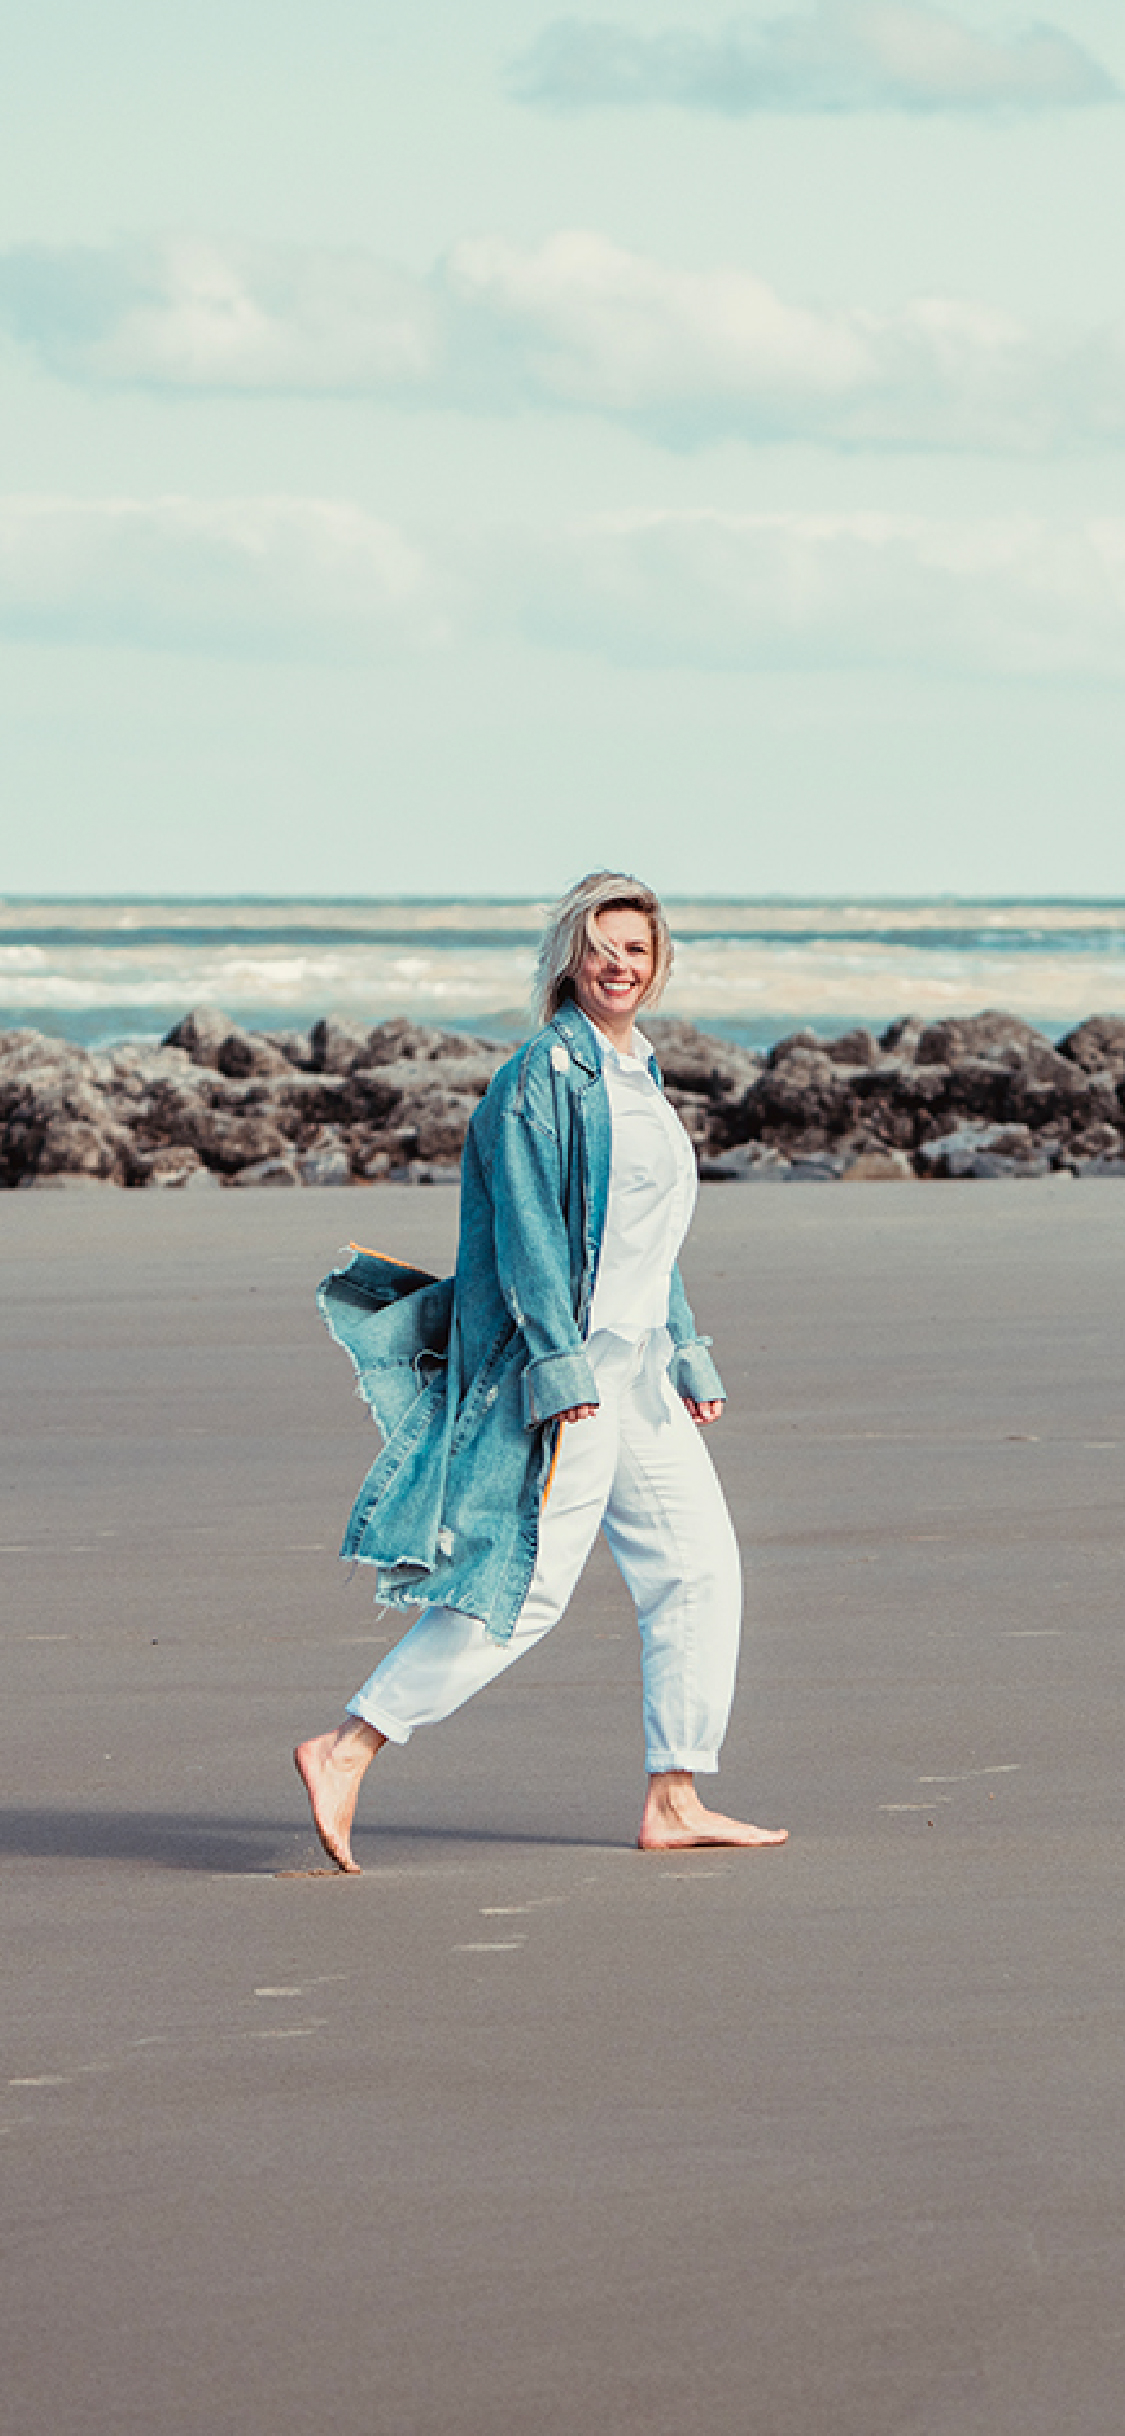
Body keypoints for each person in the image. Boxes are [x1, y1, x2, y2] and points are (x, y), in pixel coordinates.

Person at [295, 872, 787, 1870]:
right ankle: (348, 1745)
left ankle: (676, 1796)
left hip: (640, 1371)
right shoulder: (540, 1078)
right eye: (603, 948)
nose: (620, 966)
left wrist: (686, 1347)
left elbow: (644, 1240)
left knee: (698, 1568)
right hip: (573, 1378)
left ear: (658, 967)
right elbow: (527, 1238)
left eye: (637, 952)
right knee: (527, 1589)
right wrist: (561, 1368)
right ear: (572, 957)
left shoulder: (637, 1075)